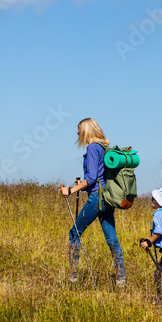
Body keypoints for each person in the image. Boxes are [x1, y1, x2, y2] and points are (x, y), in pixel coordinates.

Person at [58, 118, 127, 287]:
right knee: (112, 240)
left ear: (86, 131)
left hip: (97, 197)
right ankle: (121, 280)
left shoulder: (92, 148)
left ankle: (73, 277)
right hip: (107, 197)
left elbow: (91, 178)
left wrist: (70, 190)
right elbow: (98, 178)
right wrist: (81, 187)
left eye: (79, 131)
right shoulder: (103, 147)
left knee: (74, 233)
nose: (78, 134)